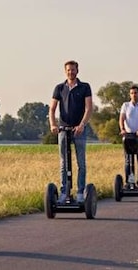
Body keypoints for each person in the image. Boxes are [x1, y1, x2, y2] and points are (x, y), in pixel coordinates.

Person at [48, 60, 93, 202]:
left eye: (73, 70)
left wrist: (82, 125)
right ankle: (64, 192)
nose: (71, 72)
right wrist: (53, 124)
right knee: (63, 162)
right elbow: (52, 108)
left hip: (79, 129)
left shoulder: (84, 87)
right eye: (68, 70)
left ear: (77, 71)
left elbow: (89, 108)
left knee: (81, 162)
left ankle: (80, 192)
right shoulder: (59, 88)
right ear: (65, 71)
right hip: (63, 128)